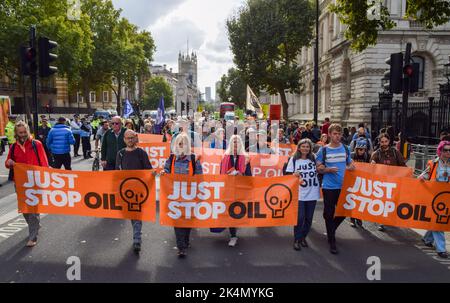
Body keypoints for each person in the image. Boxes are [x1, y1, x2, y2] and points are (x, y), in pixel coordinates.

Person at [5, 121, 49, 247]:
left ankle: (33, 237)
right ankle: (35, 224)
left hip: (35, 182)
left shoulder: (37, 144)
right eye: (20, 133)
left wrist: (45, 178)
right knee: (25, 208)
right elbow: (7, 164)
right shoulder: (13, 147)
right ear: (16, 133)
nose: (23, 135)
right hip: (20, 183)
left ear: (28, 131)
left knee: (33, 209)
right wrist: (9, 162)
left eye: (25, 132)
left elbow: (44, 163)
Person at [161, 133, 203, 258]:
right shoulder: (172, 158)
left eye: (184, 144)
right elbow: (167, 170)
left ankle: (185, 240)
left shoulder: (194, 160)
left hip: (190, 197)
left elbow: (200, 178)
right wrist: (164, 172)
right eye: (179, 143)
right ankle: (181, 247)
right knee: (178, 222)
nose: (181, 146)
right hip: (175, 198)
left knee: (188, 221)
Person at [316, 123, 355, 254]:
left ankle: (330, 228)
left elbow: (350, 162)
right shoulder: (324, 150)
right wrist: (328, 169)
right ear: (330, 135)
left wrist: (351, 166)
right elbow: (318, 168)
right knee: (329, 212)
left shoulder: (345, 148)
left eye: (339, 134)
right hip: (329, 186)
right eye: (335, 134)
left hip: (344, 186)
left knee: (344, 211)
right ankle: (332, 241)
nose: (337, 136)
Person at [115, 130, 153, 253]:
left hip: (138, 190)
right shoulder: (120, 154)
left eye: (132, 138)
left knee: (137, 215)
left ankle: (137, 239)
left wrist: (152, 175)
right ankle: (137, 234)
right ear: (124, 139)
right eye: (127, 138)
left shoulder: (141, 153)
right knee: (132, 215)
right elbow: (117, 172)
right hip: (126, 190)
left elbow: (148, 169)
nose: (130, 140)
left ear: (135, 139)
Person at [285, 138, 320, 251]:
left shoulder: (314, 158)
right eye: (303, 146)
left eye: (307, 147)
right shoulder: (294, 159)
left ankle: (303, 237)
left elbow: (321, 168)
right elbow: (288, 175)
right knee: (300, 218)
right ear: (299, 147)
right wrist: (293, 174)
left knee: (309, 218)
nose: (305, 148)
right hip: (299, 193)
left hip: (313, 192)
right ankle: (296, 239)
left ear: (310, 148)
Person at [418, 140, 450, 259]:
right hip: (434, 197)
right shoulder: (434, 163)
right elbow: (425, 175)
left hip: (447, 197)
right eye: (445, 150)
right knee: (439, 222)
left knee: (438, 220)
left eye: (449, 150)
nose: (448, 152)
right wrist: (422, 177)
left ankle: (427, 238)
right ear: (440, 151)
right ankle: (441, 249)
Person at [219, 135, 252, 247]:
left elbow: (249, 176)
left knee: (235, 212)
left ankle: (233, 232)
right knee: (229, 211)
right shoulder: (225, 157)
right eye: (233, 142)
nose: (235, 144)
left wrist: (240, 174)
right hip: (228, 188)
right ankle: (233, 235)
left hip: (239, 189)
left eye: (237, 142)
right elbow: (220, 174)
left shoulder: (245, 158)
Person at [370, 133, 406, 231]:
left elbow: (403, 165)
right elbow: (370, 169)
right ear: (379, 142)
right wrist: (372, 164)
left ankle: (390, 218)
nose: (384, 143)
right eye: (382, 142)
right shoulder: (376, 154)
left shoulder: (395, 152)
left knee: (392, 202)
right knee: (382, 202)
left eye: (386, 141)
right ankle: (381, 222)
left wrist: (408, 173)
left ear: (389, 141)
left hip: (394, 182)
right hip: (381, 184)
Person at [349, 139, 371, 228]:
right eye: (359, 149)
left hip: (362, 181)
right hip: (352, 181)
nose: (361, 151)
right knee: (352, 200)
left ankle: (358, 217)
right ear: (356, 149)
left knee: (360, 201)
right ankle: (352, 219)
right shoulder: (352, 156)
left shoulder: (367, 156)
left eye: (363, 150)